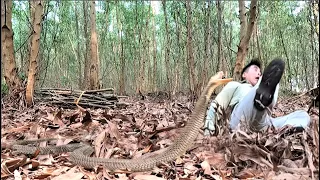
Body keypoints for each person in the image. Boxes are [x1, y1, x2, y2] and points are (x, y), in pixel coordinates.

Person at [204, 58, 311, 135]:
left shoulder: (260, 86)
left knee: (303, 115)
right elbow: (216, 105)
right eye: (255, 69)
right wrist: (208, 131)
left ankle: (286, 130)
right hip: (241, 120)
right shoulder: (235, 85)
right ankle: (260, 100)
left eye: (260, 72)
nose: (259, 73)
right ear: (244, 75)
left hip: (264, 123)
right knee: (258, 93)